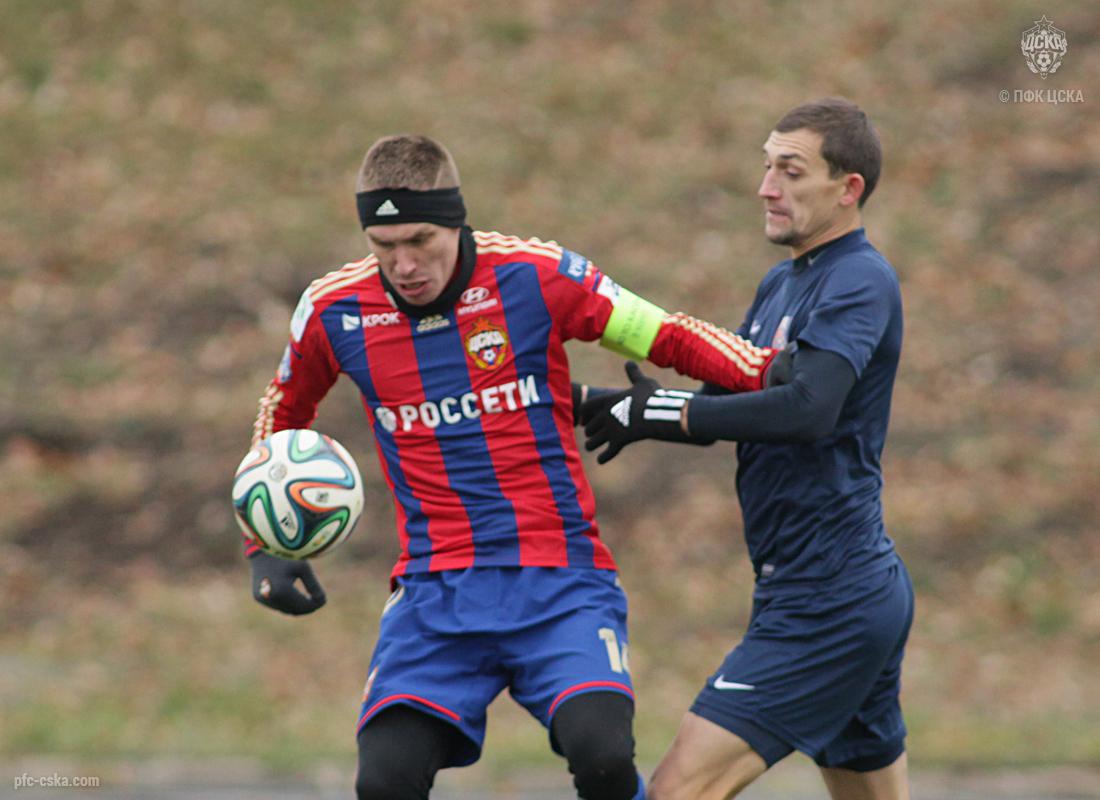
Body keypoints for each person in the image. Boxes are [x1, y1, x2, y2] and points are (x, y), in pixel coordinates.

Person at [242, 134, 784, 800]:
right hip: (434, 597)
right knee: (384, 782)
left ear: (455, 221)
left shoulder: (535, 275)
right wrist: (264, 545)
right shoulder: (334, 309)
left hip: (560, 583)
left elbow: (662, 333)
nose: (404, 265)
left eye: (420, 241)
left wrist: (769, 372)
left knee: (603, 757)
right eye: (384, 246)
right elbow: (282, 411)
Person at [581, 98, 913, 800]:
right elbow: (722, 400)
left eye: (790, 171)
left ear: (848, 188)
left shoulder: (858, 278)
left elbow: (808, 409)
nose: (766, 188)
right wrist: (587, 402)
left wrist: (662, 413)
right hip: (825, 588)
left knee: (676, 792)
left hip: (829, 599)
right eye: (766, 167)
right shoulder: (781, 283)